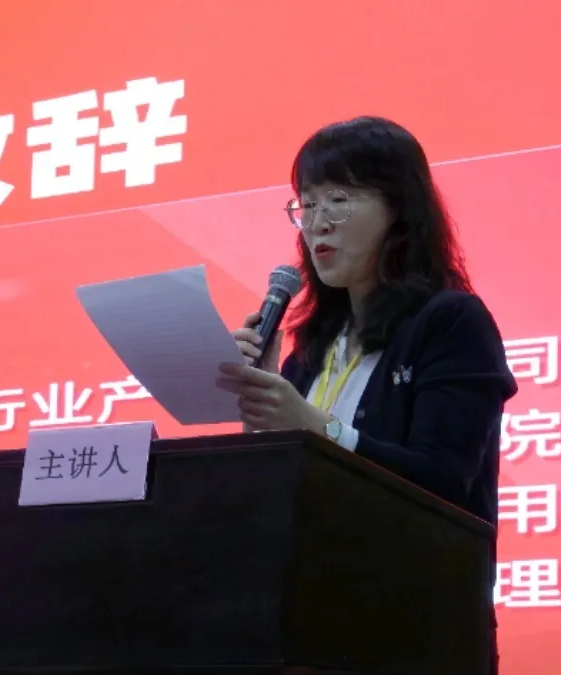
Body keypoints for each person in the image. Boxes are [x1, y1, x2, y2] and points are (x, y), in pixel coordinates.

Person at [216, 115, 517, 673]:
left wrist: (314, 425)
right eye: (306, 204)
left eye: (339, 199)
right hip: (311, 620)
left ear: (398, 208)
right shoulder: (312, 347)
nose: (317, 223)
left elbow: (443, 480)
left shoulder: (450, 321)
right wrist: (260, 404)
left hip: (419, 625)